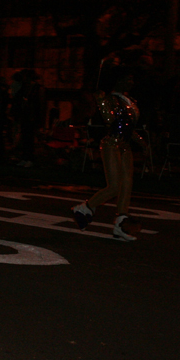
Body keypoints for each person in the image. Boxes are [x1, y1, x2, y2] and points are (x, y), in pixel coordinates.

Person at [71, 71, 148, 241]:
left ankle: (121, 223)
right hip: (111, 144)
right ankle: (85, 207)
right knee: (114, 186)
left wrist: (142, 143)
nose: (131, 81)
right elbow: (109, 120)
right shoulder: (111, 99)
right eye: (128, 78)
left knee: (126, 186)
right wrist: (101, 101)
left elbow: (128, 127)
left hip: (125, 145)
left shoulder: (130, 101)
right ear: (118, 81)